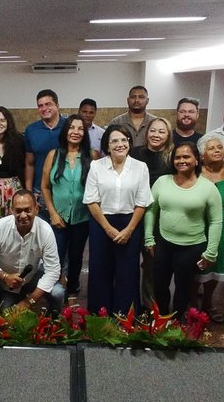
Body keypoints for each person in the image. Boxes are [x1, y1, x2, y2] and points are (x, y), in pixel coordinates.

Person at [144, 142, 222, 321]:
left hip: (192, 247)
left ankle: (177, 322)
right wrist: (148, 238)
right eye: (177, 157)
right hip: (163, 243)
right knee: (159, 286)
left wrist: (211, 251)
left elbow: (216, 221)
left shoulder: (208, 188)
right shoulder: (162, 182)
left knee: (183, 288)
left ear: (196, 160)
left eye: (186, 157)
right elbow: (151, 210)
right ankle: (161, 321)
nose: (181, 160)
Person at [84, 125, 153, 314]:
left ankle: (125, 316)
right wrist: (107, 228)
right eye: (114, 141)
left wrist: (129, 230)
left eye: (124, 140)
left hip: (130, 223)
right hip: (101, 223)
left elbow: (142, 202)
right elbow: (91, 200)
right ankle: (100, 316)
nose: (120, 144)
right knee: (100, 269)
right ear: (107, 145)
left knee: (127, 271)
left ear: (129, 143)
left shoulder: (140, 167)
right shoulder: (96, 166)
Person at [0, 190, 64, 313]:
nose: (23, 215)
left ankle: (54, 320)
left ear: (36, 209)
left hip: (33, 276)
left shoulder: (45, 231)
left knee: (58, 293)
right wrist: (5, 277)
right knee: (7, 315)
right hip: (8, 284)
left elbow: (53, 270)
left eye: (27, 210)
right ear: (12, 210)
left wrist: (30, 300)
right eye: (18, 211)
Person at [41, 114, 95, 297]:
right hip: (59, 217)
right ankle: (54, 293)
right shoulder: (53, 155)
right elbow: (45, 186)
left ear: (85, 133)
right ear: (65, 131)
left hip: (82, 217)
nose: (75, 132)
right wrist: (52, 213)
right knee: (55, 256)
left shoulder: (92, 155)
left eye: (80, 128)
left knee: (76, 256)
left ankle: (72, 291)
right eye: (72, 127)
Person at [130, 116, 174, 309]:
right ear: (147, 132)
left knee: (151, 263)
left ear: (168, 135)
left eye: (161, 131)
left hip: (159, 217)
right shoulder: (134, 153)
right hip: (133, 214)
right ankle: (129, 303)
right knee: (129, 261)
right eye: (153, 130)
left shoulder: (172, 157)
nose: (156, 135)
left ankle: (151, 307)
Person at [195, 132, 224, 322]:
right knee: (196, 267)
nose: (217, 150)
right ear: (202, 154)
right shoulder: (196, 172)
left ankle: (208, 303)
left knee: (215, 266)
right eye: (211, 148)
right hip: (200, 226)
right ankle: (191, 304)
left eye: (219, 147)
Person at [24, 89, 65, 216]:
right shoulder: (31, 130)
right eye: (40, 105)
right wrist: (29, 193)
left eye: (48, 104)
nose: (44, 108)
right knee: (42, 226)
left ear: (57, 106)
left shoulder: (69, 127)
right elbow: (29, 163)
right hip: (40, 191)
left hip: (65, 189)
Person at [0, 106, 26, 226]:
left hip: (13, 188)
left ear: (8, 122)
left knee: (15, 223)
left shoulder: (18, 141)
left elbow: (23, 167)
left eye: (2, 120)